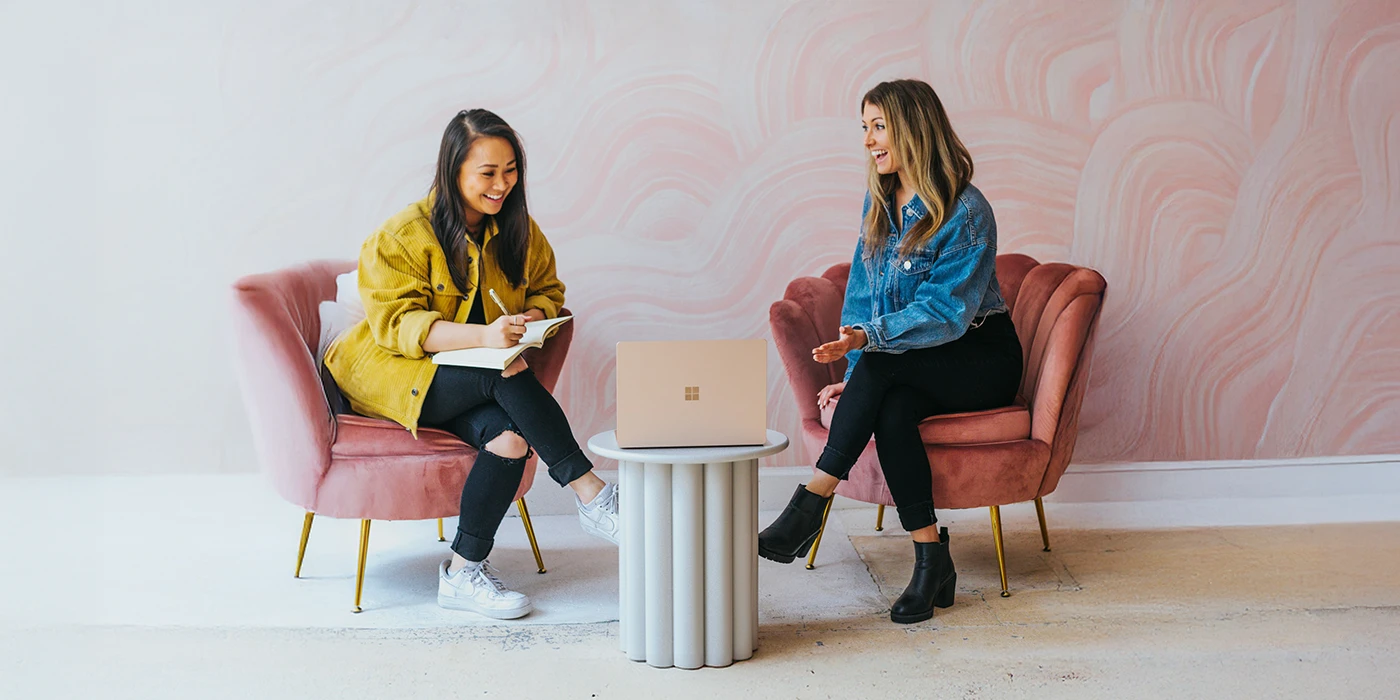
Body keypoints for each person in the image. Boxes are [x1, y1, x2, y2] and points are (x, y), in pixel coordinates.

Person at [324, 109, 618, 620]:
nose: (502, 184)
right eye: (488, 173)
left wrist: (536, 313)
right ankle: (591, 493)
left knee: (509, 440)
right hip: (390, 373)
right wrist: (484, 337)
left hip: (473, 384)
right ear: (453, 170)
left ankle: (462, 572)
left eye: (510, 170)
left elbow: (550, 289)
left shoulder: (517, 231)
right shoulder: (400, 236)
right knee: (502, 370)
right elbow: (400, 326)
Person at [757, 79, 1023, 625]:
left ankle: (811, 501)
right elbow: (861, 298)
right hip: (911, 360)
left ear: (912, 128)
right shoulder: (880, 203)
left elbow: (944, 314)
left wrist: (865, 349)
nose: (868, 140)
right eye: (864, 127)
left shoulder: (965, 209)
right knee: (893, 406)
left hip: (979, 358)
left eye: (878, 126)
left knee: (881, 363)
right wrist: (857, 372)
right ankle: (931, 563)